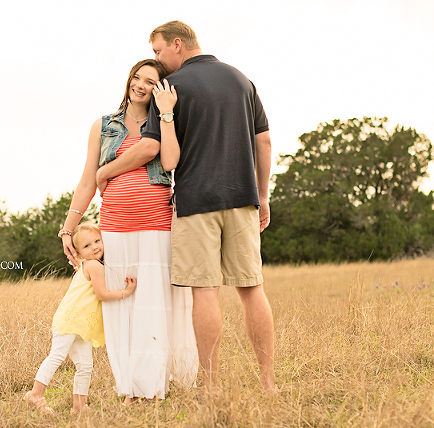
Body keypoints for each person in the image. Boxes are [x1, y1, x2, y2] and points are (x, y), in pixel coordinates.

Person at [98, 21, 276, 391]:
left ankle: (210, 386)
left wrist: (105, 171)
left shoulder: (170, 89)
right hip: (243, 199)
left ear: (177, 44)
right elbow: (265, 143)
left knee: (205, 292)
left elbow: (156, 152)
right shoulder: (242, 80)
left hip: (196, 203)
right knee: (252, 289)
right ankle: (268, 381)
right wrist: (262, 196)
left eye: (159, 51)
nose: (159, 60)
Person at [60, 59, 198, 403]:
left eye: (150, 81)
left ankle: (154, 383)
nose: (140, 85)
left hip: (157, 224)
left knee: (154, 304)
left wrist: (166, 116)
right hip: (115, 226)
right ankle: (131, 387)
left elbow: (170, 161)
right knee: (122, 306)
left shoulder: (166, 122)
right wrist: (68, 227)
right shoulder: (103, 126)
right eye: (137, 77)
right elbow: (87, 178)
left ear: (160, 89)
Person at [25, 223, 137, 415]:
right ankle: (35, 394)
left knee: (85, 366)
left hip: (81, 325)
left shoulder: (89, 264)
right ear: (77, 252)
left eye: (97, 241)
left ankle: (79, 406)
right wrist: (125, 292)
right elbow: (102, 294)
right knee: (57, 356)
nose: (94, 247)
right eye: (87, 246)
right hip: (71, 320)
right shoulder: (92, 265)